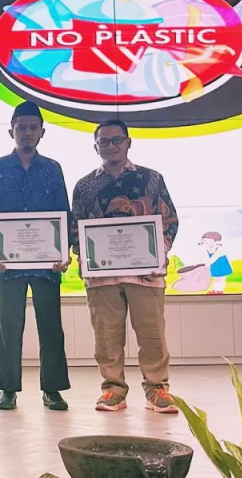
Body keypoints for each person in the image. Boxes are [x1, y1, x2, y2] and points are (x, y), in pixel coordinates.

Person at [71, 119, 179, 414]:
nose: (111, 146)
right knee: (106, 336)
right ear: (95, 147)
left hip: (146, 273)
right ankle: (113, 390)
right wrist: (85, 257)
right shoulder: (84, 186)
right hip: (102, 277)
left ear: (128, 142)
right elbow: (75, 227)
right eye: (104, 142)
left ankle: (157, 389)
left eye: (117, 140)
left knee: (152, 334)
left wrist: (158, 252)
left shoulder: (151, 179)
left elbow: (169, 220)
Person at [0, 101, 71, 411]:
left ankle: (53, 389)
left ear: (42, 132)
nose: (27, 133)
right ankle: (7, 389)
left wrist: (64, 252)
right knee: (8, 327)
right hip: (7, 263)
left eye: (33, 127)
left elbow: (63, 212)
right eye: (22, 128)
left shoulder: (53, 168)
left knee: (51, 326)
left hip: (48, 264)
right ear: (11, 131)